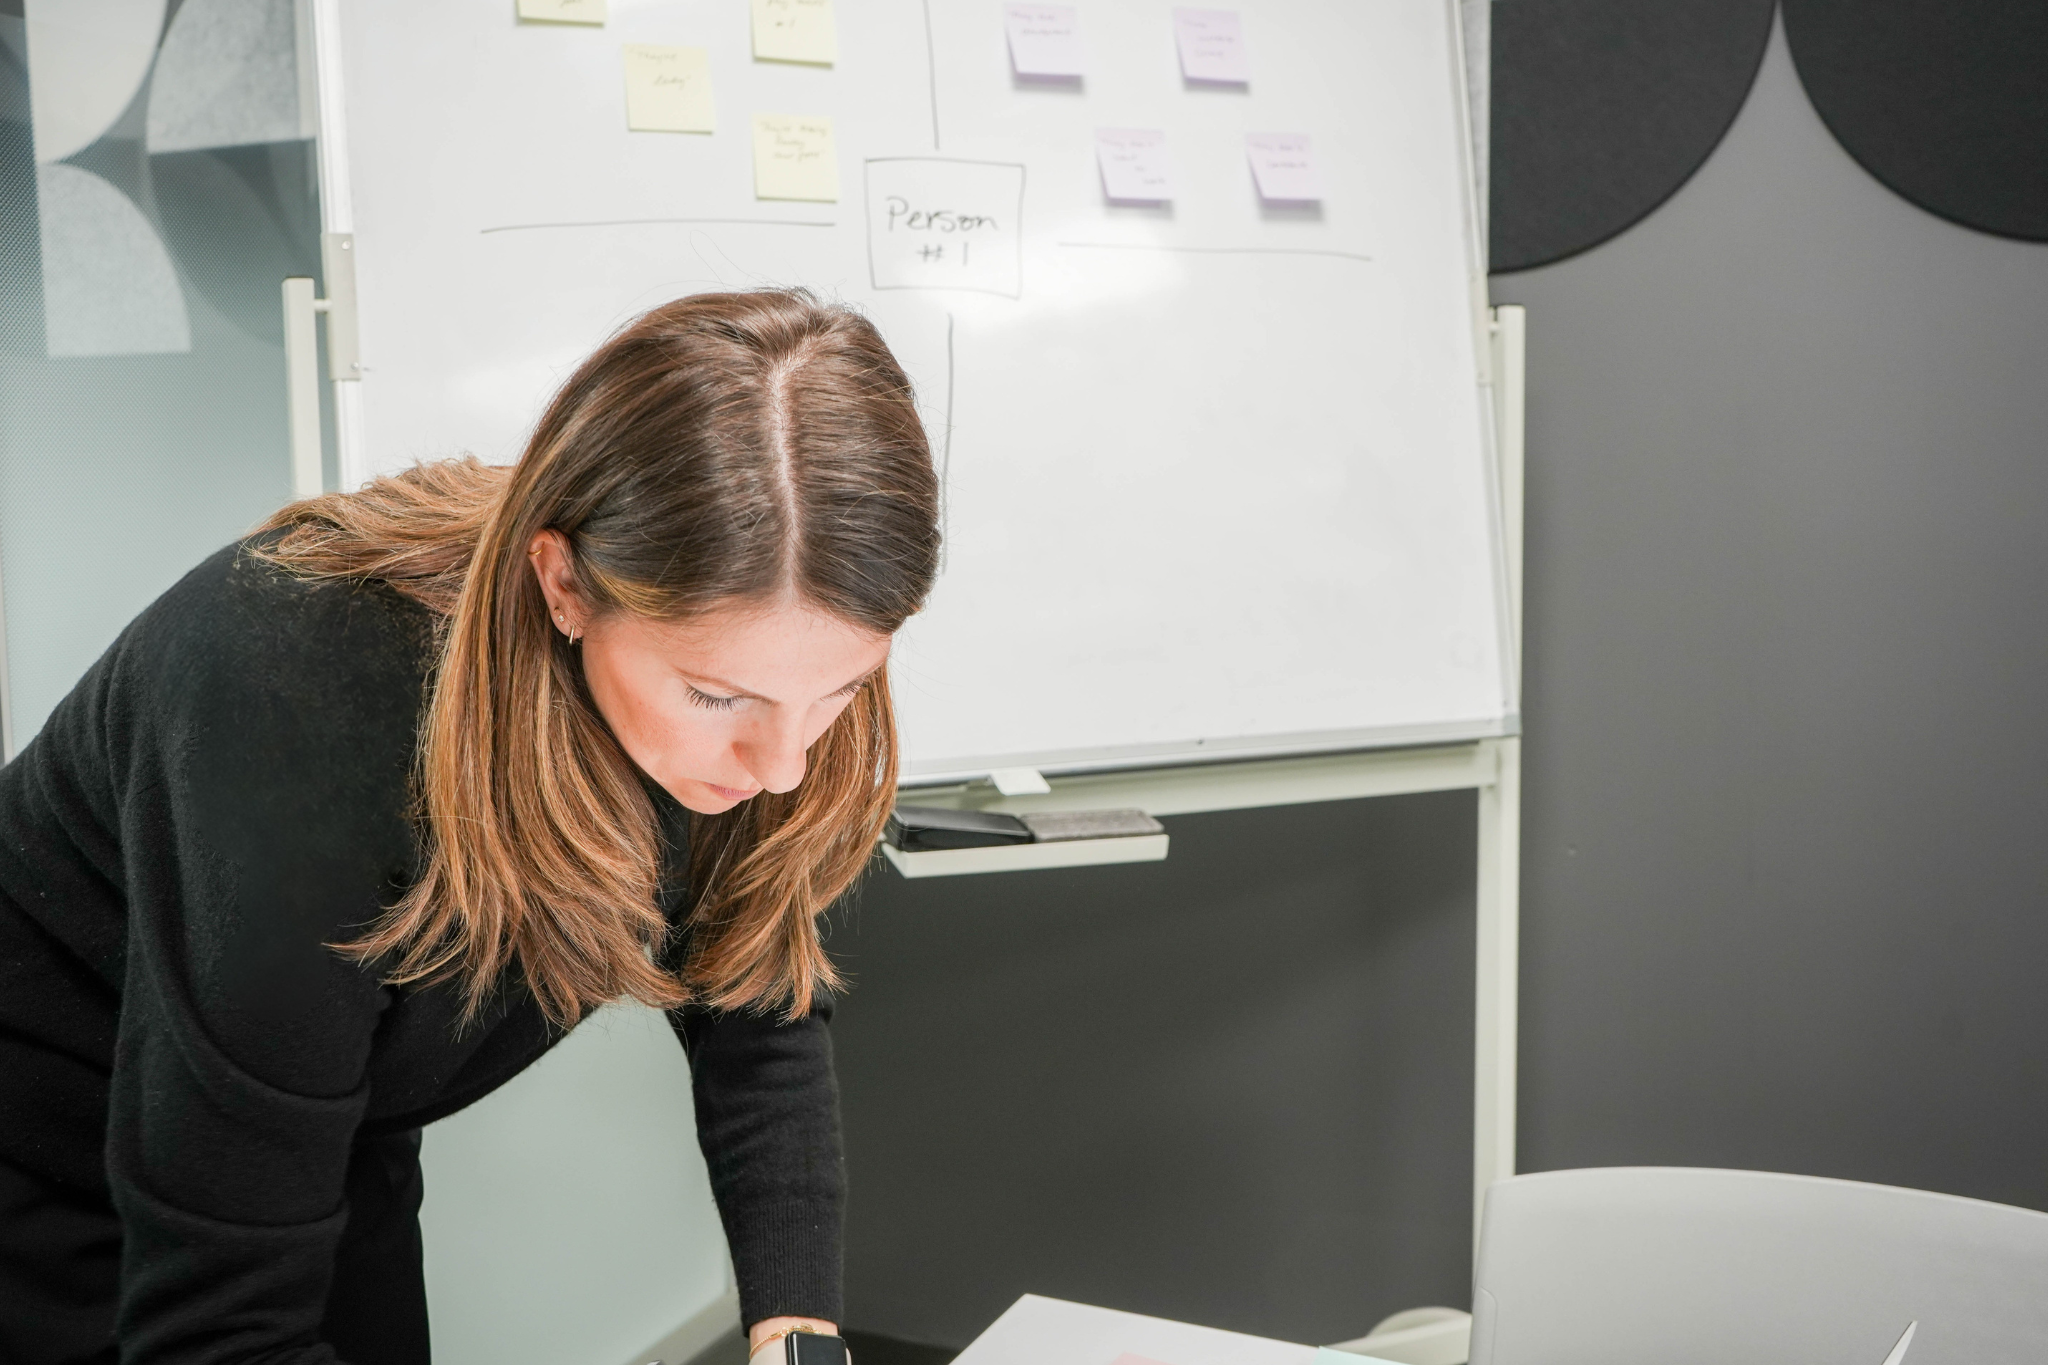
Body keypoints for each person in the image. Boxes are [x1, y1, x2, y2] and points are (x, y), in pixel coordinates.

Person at [0, 290, 942, 1365]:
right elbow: (216, 1331)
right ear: (563, 586)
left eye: (840, 692)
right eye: (715, 697)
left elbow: (751, 987)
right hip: (45, 1158)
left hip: (323, 1139)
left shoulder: (783, 646)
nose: (783, 766)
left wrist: (795, 1327)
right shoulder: (296, 707)